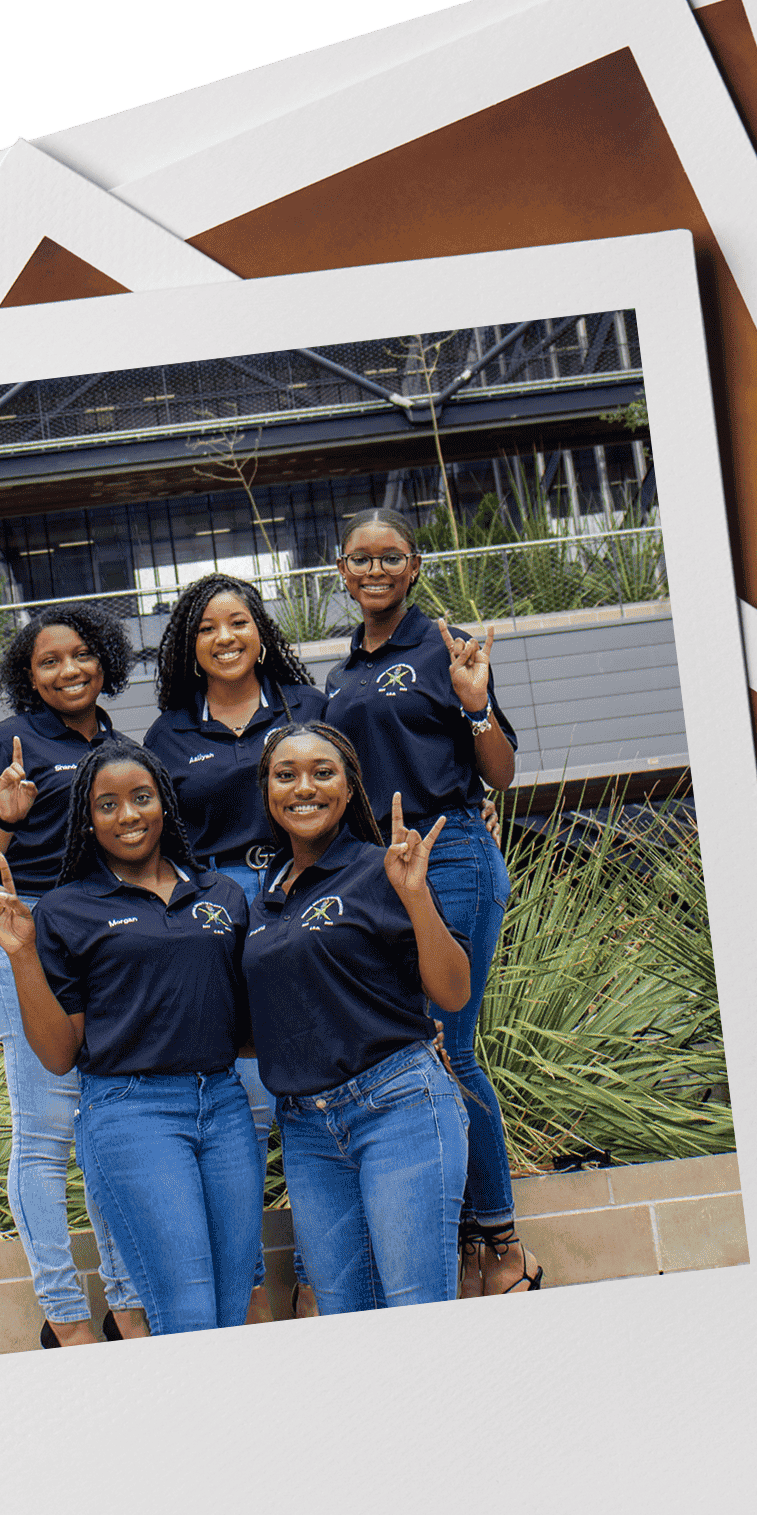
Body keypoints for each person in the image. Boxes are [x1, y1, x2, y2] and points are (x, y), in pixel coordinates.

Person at [0, 741, 265, 1336]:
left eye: (141, 798)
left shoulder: (222, 896)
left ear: (163, 804)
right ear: (89, 820)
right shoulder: (66, 910)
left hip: (224, 1107)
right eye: (108, 804)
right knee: (187, 1312)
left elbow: (252, 1025)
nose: (128, 815)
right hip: (133, 1114)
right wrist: (23, 954)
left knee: (234, 1308)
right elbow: (56, 1055)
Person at [318, 508, 541, 1294]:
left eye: (390, 557)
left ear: (414, 566)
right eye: (359, 559)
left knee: (452, 1047)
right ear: (340, 572)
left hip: (451, 864)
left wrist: (475, 704)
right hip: (384, 878)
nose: (374, 570)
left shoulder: (443, 648)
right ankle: (465, 1238)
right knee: (423, 1053)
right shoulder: (338, 676)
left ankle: (504, 1244)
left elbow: (502, 774)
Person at [0, 605, 147, 1347]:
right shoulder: (8, 743)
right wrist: (5, 819)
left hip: (107, 939)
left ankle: (126, 1305)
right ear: (27, 676)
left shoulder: (123, 745)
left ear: (104, 660)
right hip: (28, 937)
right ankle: (65, 1316)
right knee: (44, 1133)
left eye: (80, 656)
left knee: (104, 1128)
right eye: (48, 661)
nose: (68, 670)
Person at [142, 573, 325, 1318]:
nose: (226, 636)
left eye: (240, 621)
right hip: (216, 914)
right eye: (208, 626)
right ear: (190, 645)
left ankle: (317, 1279)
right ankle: (248, 1288)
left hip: (300, 900)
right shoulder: (167, 735)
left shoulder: (305, 708)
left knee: (310, 1094)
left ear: (261, 632)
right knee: (243, 1107)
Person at [241, 724, 471, 1312]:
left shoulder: (382, 870)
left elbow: (451, 990)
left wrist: (416, 894)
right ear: (267, 791)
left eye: (323, 772)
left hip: (398, 1108)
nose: (303, 787)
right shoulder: (262, 900)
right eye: (285, 774)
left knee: (417, 1310)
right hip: (307, 1130)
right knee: (347, 1321)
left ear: (348, 790)